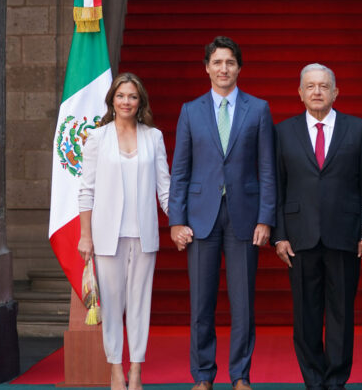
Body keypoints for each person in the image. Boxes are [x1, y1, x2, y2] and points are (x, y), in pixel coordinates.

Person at [168, 36, 276, 390]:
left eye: (230, 62)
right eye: (217, 62)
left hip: (244, 216)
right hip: (200, 218)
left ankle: (241, 374)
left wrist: (266, 218)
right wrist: (176, 220)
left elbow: (267, 169)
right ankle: (202, 375)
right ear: (207, 68)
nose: (224, 68)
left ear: (239, 68)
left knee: (242, 303)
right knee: (202, 302)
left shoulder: (258, 109)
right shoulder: (190, 110)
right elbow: (181, 170)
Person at [272, 63, 362, 390]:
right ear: (300, 93)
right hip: (299, 237)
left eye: (324, 86)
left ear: (335, 92)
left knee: (342, 315)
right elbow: (276, 185)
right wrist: (279, 235)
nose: (317, 92)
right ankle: (314, 382)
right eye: (311, 86)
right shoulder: (283, 131)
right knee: (306, 317)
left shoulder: (358, 130)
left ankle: (336, 382)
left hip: (345, 236)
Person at [77, 72, 170, 390]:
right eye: (121, 96)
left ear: (140, 100)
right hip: (106, 237)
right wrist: (85, 235)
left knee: (140, 304)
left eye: (132, 96)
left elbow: (165, 189)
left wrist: (182, 221)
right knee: (113, 306)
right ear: (112, 101)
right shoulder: (97, 138)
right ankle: (115, 369)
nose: (126, 101)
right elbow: (86, 190)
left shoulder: (153, 137)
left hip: (144, 235)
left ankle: (136, 370)